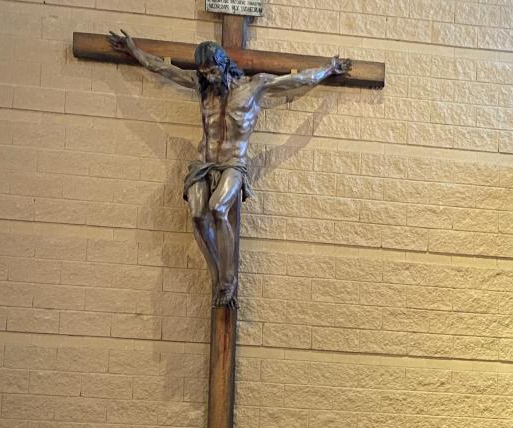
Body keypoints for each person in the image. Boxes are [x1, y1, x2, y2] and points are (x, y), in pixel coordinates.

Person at [108, 32, 350, 306]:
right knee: (198, 215)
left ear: (224, 65)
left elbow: (296, 80)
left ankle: (228, 279)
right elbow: (163, 69)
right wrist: (133, 50)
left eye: (213, 71)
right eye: (204, 72)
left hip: (233, 164)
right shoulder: (201, 87)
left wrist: (329, 69)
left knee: (218, 208)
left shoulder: (253, 86)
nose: (209, 78)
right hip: (203, 161)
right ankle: (217, 275)